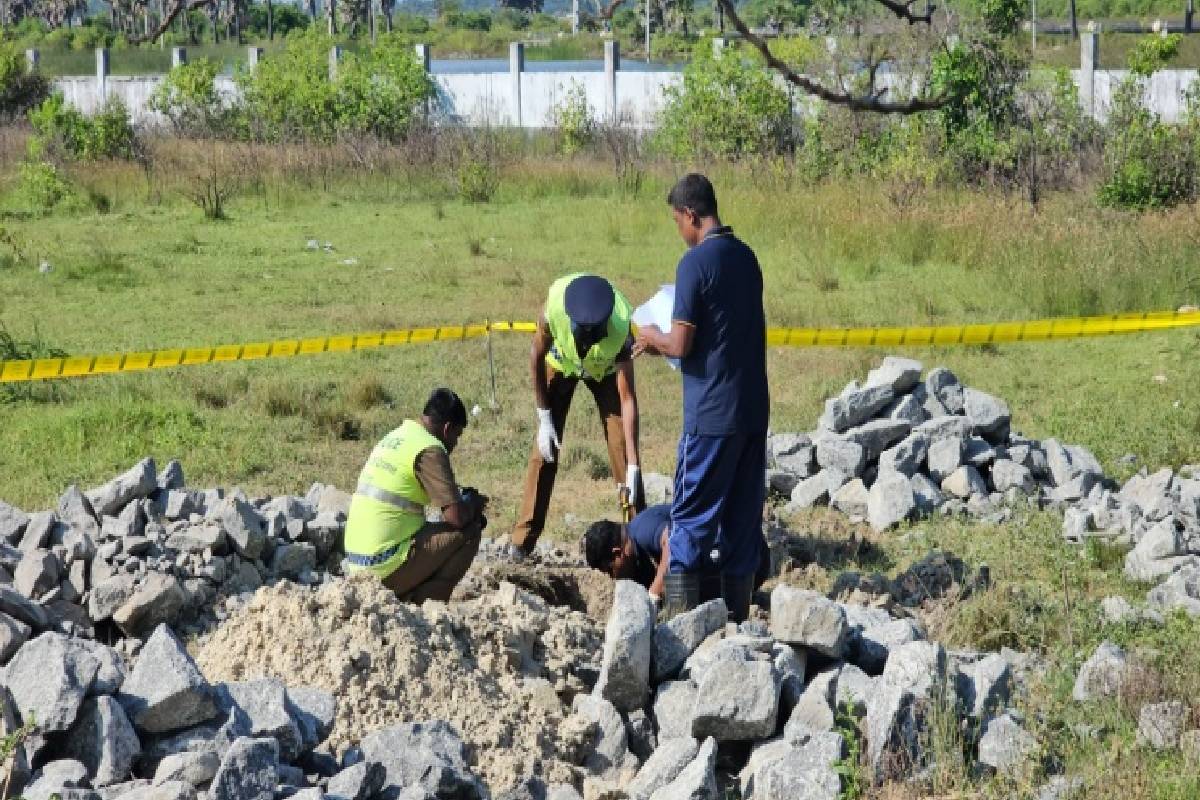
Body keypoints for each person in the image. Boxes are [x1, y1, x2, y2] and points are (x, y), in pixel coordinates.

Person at [633, 174, 770, 623]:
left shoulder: (694, 265)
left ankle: (680, 630)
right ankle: (739, 626)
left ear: (692, 215)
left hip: (710, 416)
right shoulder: (747, 258)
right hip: (751, 412)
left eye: (678, 221)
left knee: (689, 521)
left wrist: (651, 336)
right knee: (741, 522)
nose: (680, 231)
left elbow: (681, 345)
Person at [510, 273, 645, 559]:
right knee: (544, 450)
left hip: (605, 372)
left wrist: (633, 464)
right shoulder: (554, 308)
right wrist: (544, 418)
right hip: (561, 364)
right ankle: (522, 542)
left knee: (623, 450)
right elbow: (535, 355)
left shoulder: (621, 329)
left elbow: (627, 397)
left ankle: (639, 540)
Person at [343, 388, 488, 603]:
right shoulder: (430, 449)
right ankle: (426, 606)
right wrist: (473, 503)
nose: (455, 444)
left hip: (356, 562)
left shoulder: (398, 435)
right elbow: (456, 517)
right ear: (447, 429)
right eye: (457, 436)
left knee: (431, 526)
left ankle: (409, 590)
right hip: (382, 566)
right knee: (471, 528)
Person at [582, 504, 770, 606]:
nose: (613, 578)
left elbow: (673, 546)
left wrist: (653, 595)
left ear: (618, 554)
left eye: (610, 571)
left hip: (749, 557)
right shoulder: (637, 554)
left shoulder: (642, 529)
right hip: (741, 562)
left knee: (676, 587)